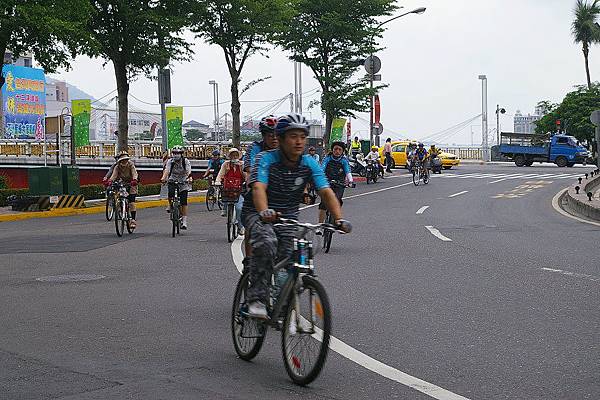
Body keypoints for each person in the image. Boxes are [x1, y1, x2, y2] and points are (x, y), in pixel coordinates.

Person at [242, 113, 351, 318]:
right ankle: (256, 298)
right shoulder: (265, 158)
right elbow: (258, 188)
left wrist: (338, 219)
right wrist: (264, 211)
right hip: (259, 212)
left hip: (289, 216)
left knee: (293, 256)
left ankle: (283, 299)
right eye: (293, 136)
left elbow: (326, 192)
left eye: (302, 136)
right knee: (266, 243)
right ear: (281, 138)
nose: (299, 141)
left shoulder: (309, 163)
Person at [319, 141, 353, 223]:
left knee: (337, 200)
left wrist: (350, 181)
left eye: (340, 149)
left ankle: (337, 220)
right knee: (323, 203)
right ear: (332, 150)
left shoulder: (344, 160)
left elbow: (348, 171)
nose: (337, 151)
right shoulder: (327, 158)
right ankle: (319, 225)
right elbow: (322, 169)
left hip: (339, 183)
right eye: (335, 149)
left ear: (342, 151)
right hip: (327, 182)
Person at [160, 145, 192, 229]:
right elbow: (167, 170)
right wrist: (163, 178)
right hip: (172, 179)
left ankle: (184, 221)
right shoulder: (170, 161)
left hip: (183, 181)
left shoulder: (186, 161)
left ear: (181, 154)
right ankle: (170, 205)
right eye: (174, 153)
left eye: (178, 153)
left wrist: (189, 178)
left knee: (183, 202)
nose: (176, 155)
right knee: (170, 193)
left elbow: (188, 171)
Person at [215, 148, 245, 234]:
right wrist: (218, 181)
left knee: (239, 208)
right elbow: (220, 174)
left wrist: (247, 181)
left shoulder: (242, 165)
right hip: (228, 187)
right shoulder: (225, 164)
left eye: (236, 155)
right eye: (232, 155)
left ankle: (240, 226)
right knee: (224, 194)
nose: (234, 157)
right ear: (230, 156)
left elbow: (246, 175)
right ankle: (224, 209)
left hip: (239, 188)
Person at [106, 151, 139, 228]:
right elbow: (114, 175)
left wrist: (134, 180)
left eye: (126, 160)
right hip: (123, 183)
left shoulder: (131, 165)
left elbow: (134, 173)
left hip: (132, 183)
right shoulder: (117, 167)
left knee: (131, 201)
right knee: (121, 196)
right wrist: (110, 181)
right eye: (122, 160)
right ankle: (121, 208)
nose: (124, 161)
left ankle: (133, 220)